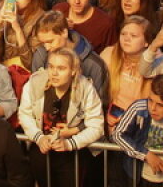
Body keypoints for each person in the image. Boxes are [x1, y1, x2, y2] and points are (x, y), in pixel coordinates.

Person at [17, 47, 105, 187]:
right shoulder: (35, 83)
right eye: (51, 66)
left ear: (73, 71)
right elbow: (24, 114)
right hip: (41, 150)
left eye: (61, 68)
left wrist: (70, 143)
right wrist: (39, 137)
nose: (54, 73)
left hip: (72, 155)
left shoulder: (85, 88)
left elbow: (96, 126)